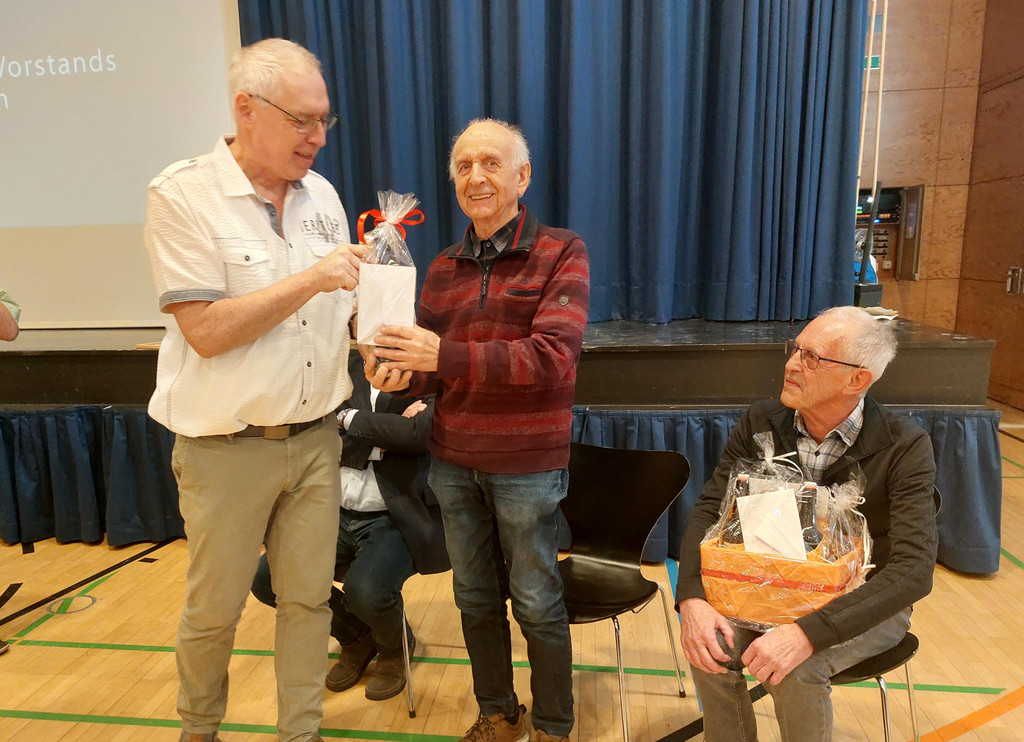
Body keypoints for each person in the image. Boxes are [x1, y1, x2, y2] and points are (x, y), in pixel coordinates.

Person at [144, 38, 366, 742]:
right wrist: (313, 278)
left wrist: (376, 342)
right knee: (216, 610)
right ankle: (199, 730)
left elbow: (338, 312)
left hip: (316, 441)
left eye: (324, 119)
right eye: (302, 120)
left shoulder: (324, 197)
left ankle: (301, 733)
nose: (317, 136)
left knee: (308, 604)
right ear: (246, 109)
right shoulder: (182, 195)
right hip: (225, 450)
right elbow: (206, 330)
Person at [367, 119, 590, 742]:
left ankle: (553, 725)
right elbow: (430, 372)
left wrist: (439, 355)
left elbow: (553, 358)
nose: (476, 177)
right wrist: (393, 373)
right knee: (473, 598)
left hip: (526, 466)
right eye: (463, 166)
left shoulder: (562, 251)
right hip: (453, 462)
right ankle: (498, 712)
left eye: (491, 163)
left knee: (537, 602)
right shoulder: (441, 266)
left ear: (523, 176)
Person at [675, 306, 938, 741]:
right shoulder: (761, 421)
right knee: (711, 645)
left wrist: (806, 634)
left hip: (864, 600)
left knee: (795, 669)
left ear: (857, 380)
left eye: (812, 357)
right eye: (795, 349)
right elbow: (709, 511)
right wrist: (691, 598)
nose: (792, 364)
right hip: (768, 586)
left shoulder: (905, 445)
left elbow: (913, 570)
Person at [250, 348, 449, 701]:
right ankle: (356, 636)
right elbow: (313, 434)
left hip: (396, 515)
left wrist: (346, 419)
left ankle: (393, 649)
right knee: (267, 578)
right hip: (333, 510)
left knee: (366, 590)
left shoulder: (429, 372)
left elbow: (419, 434)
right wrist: (386, 437)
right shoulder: (337, 368)